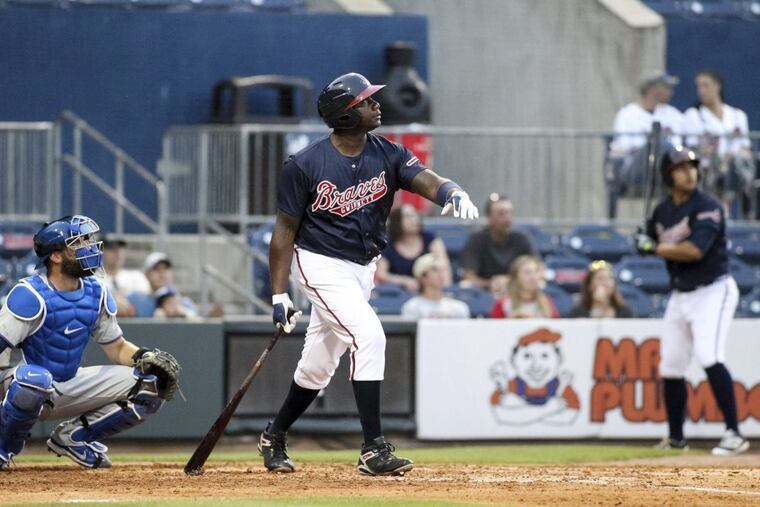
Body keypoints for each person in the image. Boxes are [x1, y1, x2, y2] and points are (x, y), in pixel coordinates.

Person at [261, 72, 479, 477]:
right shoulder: (305, 164)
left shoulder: (388, 153)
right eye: (366, 101)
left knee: (317, 366)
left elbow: (423, 179)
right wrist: (279, 294)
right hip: (320, 264)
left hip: (363, 269)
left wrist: (450, 190)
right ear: (344, 115)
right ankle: (373, 449)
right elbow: (284, 231)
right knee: (369, 336)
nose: (376, 104)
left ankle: (274, 435)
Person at [0, 215, 180, 469]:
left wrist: (143, 357)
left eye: (88, 240)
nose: (89, 248)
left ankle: (73, 438)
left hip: (65, 382)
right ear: (56, 256)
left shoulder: (97, 291)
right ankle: (3, 448)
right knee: (34, 380)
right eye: (78, 243)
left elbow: (116, 348)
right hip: (16, 385)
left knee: (150, 383)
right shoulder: (30, 294)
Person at [635, 145, 748, 455]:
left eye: (692, 166)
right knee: (670, 365)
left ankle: (734, 433)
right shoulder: (661, 211)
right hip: (681, 292)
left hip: (713, 289)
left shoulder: (708, 205)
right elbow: (651, 241)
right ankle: (676, 438)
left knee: (708, 355)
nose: (689, 172)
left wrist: (652, 247)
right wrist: (641, 241)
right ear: (669, 175)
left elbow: (695, 250)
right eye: (681, 167)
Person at [608, 71, 684, 217]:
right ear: (652, 89)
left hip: (666, 170)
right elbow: (625, 147)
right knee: (658, 144)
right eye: (666, 87)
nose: (671, 91)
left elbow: (678, 147)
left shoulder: (673, 114)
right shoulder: (627, 114)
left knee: (673, 152)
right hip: (635, 171)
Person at [682, 69, 755, 218]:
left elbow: (745, 148)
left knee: (741, 162)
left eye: (705, 85)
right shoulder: (693, 115)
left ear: (717, 86)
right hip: (708, 168)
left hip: (735, 167)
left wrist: (729, 159)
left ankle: (745, 213)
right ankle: (718, 208)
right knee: (714, 162)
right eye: (698, 87)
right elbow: (695, 149)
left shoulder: (737, 115)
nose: (701, 91)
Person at [459, 194, 533, 295]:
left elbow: (538, 269)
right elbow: (468, 276)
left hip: (518, 292)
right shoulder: (476, 240)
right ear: (489, 218)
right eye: (501, 214)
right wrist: (490, 284)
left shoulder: (521, 239)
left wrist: (509, 281)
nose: (507, 219)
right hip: (485, 294)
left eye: (509, 213)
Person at [376, 204, 451, 292]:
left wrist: (446, 290)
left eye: (415, 215)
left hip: (431, 292)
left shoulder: (430, 239)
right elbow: (381, 274)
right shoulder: (388, 245)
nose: (414, 220)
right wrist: (404, 280)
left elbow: (443, 266)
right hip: (399, 295)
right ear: (397, 221)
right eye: (408, 217)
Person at [400, 254, 470, 319]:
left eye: (442, 270)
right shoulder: (412, 307)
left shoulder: (459, 308)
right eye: (434, 270)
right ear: (422, 277)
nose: (440, 274)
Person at [489, 255, 559, 319]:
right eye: (527, 272)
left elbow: (556, 327)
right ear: (516, 277)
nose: (533, 277)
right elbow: (493, 329)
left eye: (536, 272)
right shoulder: (503, 303)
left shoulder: (546, 302)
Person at [101, 235, 150, 317]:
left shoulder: (136, 276)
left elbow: (145, 300)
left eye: (120, 249)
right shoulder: (92, 278)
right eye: (112, 249)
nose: (117, 253)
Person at [568, 260, 633, 318]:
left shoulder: (624, 311)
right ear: (589, 285)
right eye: (600, 278)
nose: (605, 282)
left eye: (609, 278)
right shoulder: (578, 311)